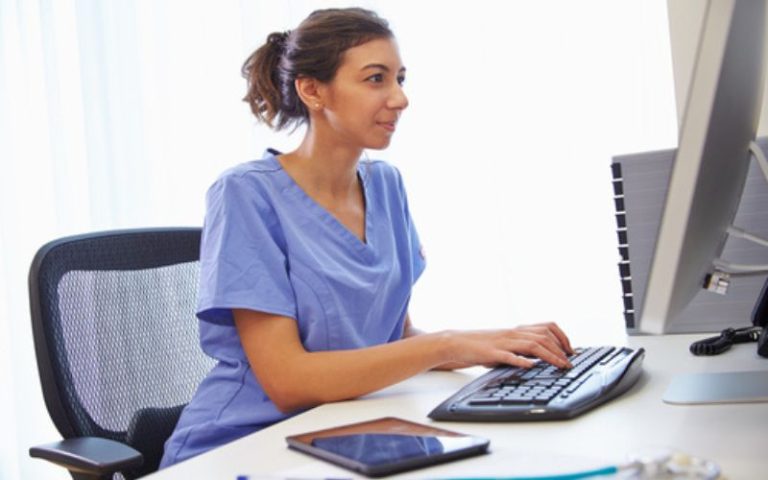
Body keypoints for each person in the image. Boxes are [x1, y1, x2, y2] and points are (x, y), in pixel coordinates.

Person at [160, 7, 574, 468]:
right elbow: (287, 380)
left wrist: (490, 346)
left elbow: (395, 335)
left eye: (400, 78)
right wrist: (448, 344)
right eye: (376, 79)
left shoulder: (386, 184)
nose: (400, 98)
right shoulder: (246, 193)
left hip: (350, 430)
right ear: (313, 90)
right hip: (245, 445)